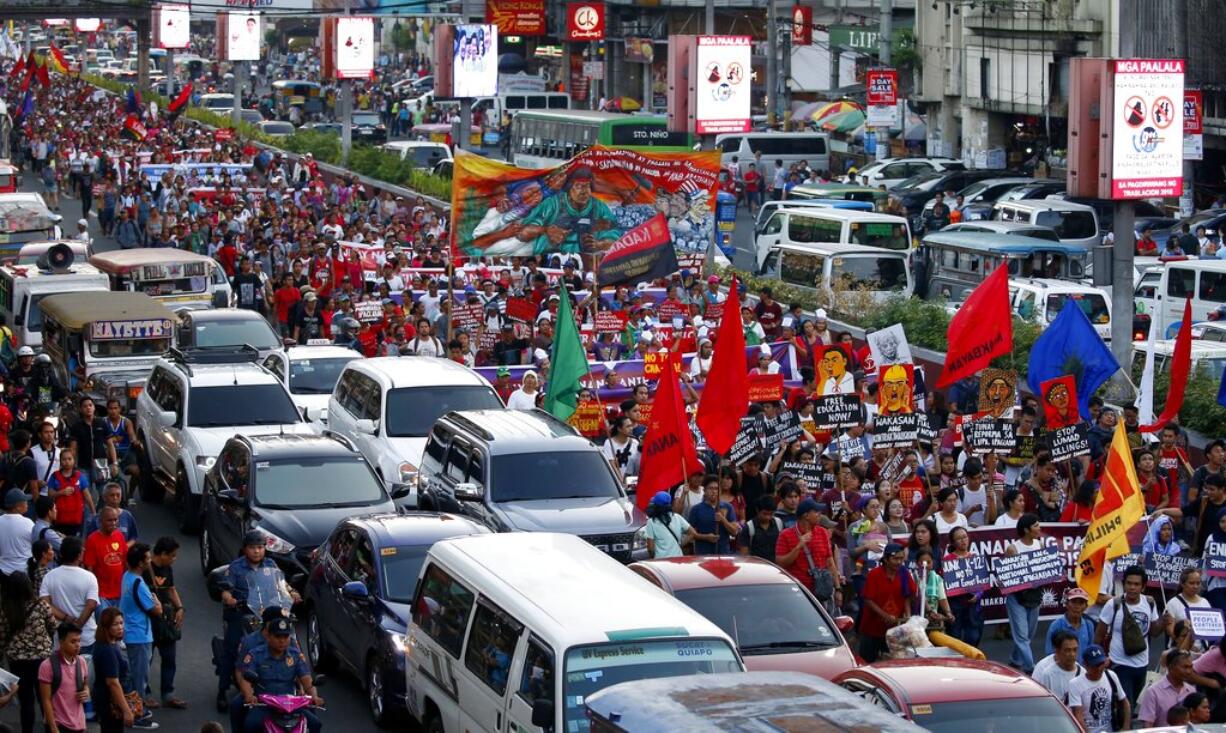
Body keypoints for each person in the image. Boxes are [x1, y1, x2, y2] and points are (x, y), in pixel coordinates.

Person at [216, 531, 300, 712]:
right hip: (242, 611)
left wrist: (292, 592)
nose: (256, 551)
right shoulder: (236, 567)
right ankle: (222, 691)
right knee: (231, 649)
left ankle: (298, 687)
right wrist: (228, 597)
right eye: (253, 548)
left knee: (289, 641)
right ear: (245, 549)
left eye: (260, 547)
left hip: (268, 612)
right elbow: (225, 589)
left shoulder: (271, 564)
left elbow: (282, 584)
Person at [236, 617, 323, 733]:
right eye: (278, 637)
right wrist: (249, 695)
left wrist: (314, 697)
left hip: (291, 705)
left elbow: (307, 679)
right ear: (268, 637)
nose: (282, 641)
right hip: (265, 705)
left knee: (316, 724)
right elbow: (246, 679)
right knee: (250, 725)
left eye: (285, 637)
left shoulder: (296, 655)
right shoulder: (256, 655)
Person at [0, 568, 56, 733]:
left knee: (26, 700)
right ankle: (49, 728)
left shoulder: (5, 610)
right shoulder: (41, 605)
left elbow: (2, 635)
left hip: (17, 659)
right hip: (41, 658)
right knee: (44, 698)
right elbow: (52, 626)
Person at [1095, 564, 1159, 705]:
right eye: (1129, 583)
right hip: (1119, 664)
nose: (1132, 587)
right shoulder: (1113, 604)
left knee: (1134, 703)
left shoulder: (1149, 603)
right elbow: (1099, 635)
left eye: (1136, 584)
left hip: (1142, 665)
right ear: (1124, 584)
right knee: (1125, 705)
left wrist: (1165, 622)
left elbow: (1154, 632)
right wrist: (1100, 659)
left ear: (1143, 587)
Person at [119, 543, 161, 728]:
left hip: (131, 633)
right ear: (140, 563)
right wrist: (158, 603)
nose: (150, 560)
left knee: (133, 675)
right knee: (139, 677)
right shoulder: (138, 583)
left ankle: (135, 709)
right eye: (147, 557)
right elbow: (155, 610)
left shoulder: (127, 577)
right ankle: (138, 715)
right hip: (140, 636)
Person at [40, 536, 98, 654]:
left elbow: (44, 603)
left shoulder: (49, 576)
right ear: (79, 555)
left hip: (61, 638)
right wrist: (77, 626)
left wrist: (65, 618)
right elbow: (91, 605)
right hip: (86, 637)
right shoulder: (89, 577)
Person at [858, 542, 914, 663]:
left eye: (901, 559)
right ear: (886, 559)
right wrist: (885, 615)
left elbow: (907, 596)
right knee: (866, 662)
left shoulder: (904, 573)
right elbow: (868, 599)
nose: (899, 562)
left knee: (894, 663)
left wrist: (907, 614)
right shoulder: (874, 574)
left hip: (895, 629)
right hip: (872, 627)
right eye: (895, 559)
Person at [1003, 514, 1045, 674]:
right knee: (1021, 637)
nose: (1039, 528)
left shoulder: (1040, 545)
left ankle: (1015, 661)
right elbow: (1006, 575)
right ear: (1026, 530)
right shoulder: (1013, 549)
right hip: (1017, 597)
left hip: (1035, 596)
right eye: (1036, 526)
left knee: (1028, 634)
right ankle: (1031, 669)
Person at [146, 537, 185, 709]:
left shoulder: (167, 568)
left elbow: (171, 589)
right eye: (172, 556)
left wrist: (180, 608)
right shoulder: (145, 568)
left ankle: (167, 693)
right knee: (146, 659)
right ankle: (144, 693)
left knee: (170, 658)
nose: (174, 559)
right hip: (149, 620)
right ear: (162, 554)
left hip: (166, 621)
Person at [93, 607, 141, 733]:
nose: (120, 627)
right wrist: (126, 710)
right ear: (106, 626)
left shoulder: (104, 645)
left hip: (105, 701)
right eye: (115, 624)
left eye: (121, 623)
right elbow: (113, 683)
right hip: (110, 704)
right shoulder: (109, 650)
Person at [37, 622, 89, 733]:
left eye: (79, 641)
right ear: (61, 642)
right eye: (73, 642)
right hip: (59, 725)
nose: (77, 645)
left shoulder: (82, 662)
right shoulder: (47, 666)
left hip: (79, 724)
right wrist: (53, 727)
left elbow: (85, 684)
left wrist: (86, 691)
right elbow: (45, 700)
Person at [1067, 644, 1130, 733]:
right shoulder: (1075, 684)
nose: (1100, 668)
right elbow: (1078, 716)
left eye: (1102, 664)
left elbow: (1125, 703)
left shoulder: (1111, 676)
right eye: (1095, 665)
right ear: (1085, 665)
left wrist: (1125, 728)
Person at [943, 526, 983, 647]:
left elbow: (982, 581)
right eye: (959, 538)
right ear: (953, 542)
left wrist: (978, 595)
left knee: (973, 636)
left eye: (965, 537)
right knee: (954, 635)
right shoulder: (947, 560)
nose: (963, 541)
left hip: (973, 604)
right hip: (955, 604)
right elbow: (944, 584)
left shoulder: (975, 557)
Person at [1136, 649, 1196, 728]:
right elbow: (1148, 725)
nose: (1189, 671)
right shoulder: (1153, 692)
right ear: (1170, 667)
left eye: (1190, 667)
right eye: (1185, 667)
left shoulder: (1192, 691)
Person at [83, 507, 128, 611]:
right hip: (102, 595)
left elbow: (126, 562)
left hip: (120, 593)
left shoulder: (119, 536)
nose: (113, 523)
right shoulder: (92, 540)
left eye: (115, 519)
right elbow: (89, 568)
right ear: (100, 521)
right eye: (109, 520)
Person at [45, 450, 93, 539]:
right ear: (60, 461)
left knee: (75, 543)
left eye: (69, 459)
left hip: (76, 519)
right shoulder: (55, 476)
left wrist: (93, 512)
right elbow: (50, 494)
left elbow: (87, 496)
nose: (67, 462)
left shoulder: (80, 476)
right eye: (64, 459)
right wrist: (61, 492)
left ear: (74, 460)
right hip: (60, 519)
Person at [688, 475, 739, 555]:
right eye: (710, 488)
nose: (714, 491)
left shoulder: (728, 507)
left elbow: (734, 532)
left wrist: (723, 520)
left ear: (720, 491)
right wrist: (705, 537)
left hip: (723, 554)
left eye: (716, 489)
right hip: (703, 555)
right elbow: (690, 535)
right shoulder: (696, 509)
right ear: (704, 490)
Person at [1165, 568, 1211, 656]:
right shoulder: (1173, 603)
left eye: (1198, 583)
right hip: (1179, 654)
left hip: (1201, 653)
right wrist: (1188, 645)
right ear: (1182, 584)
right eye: (1191, 583)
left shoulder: (1205, 602)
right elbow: (1170, 631)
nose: (1195, 586)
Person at [1032, 630, 1083, 704]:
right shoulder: (1046, 672)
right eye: (1067, 650)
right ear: (1057, 650)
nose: (1072, 654)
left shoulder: (1083, 672)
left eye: (1075, 650)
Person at [1046, 587, 1096, 663]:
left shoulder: (1089, 625)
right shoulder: (1056, 626)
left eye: (1081, 603)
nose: (1077, 606)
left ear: (1086, 606)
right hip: (1062, 669)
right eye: (1074, 602)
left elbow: (1091, 652)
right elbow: (1050, 654)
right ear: (1066, 604)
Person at [641, 492, 694, 560]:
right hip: (678, 559)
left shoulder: (651, 522)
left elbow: (651, 548)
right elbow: (692, 533)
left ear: (656, 506)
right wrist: (680, 544)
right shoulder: (677, 517)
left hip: (661, 561)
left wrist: (652, 557)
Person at [738, 496, 783, 563]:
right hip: (756, 567)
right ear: (757, 510)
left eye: (771, 514)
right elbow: (744, 555)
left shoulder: (779, 523)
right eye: (765, 514)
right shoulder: (749, 527)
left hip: (775, 567)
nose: (768, 517)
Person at [0, 488, 34, 575]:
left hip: (3, 571)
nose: (27, 504)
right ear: (18, 506)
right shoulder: (28, 523)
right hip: (24, 571)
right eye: (25, 502)